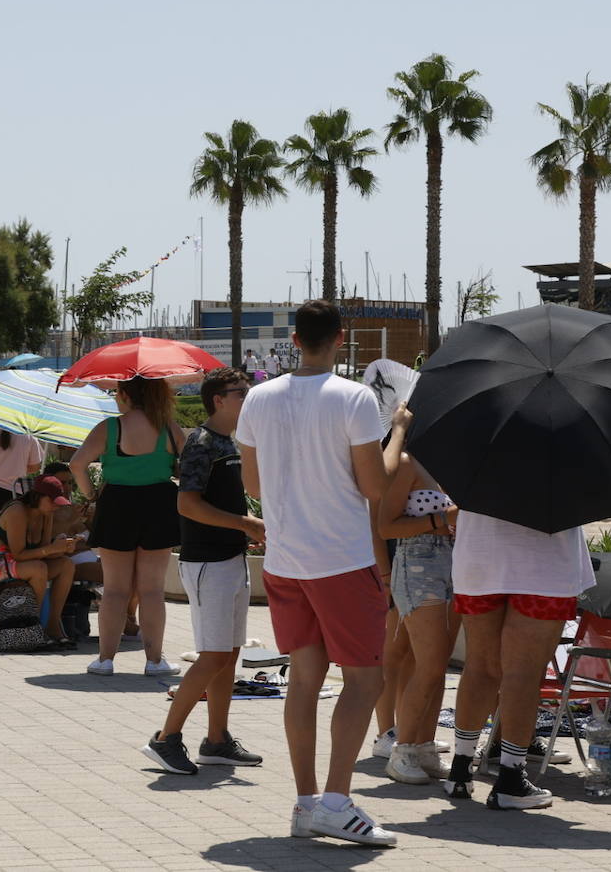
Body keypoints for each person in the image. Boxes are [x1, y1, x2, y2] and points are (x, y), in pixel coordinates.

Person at [236, 300, 405, 847]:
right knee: (365, 679)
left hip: (285, 561)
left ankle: (308, 802)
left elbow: (255, 488)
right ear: (339, 337)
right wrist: (397, 432)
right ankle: (336, 801)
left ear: (294, 338)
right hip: (341, 559)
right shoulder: (354, 397)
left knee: (305, 682)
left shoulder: (257, 398)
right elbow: (375, 488)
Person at [143, 368, 266, 775]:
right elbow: (188, 505)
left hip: (230, 559)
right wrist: (245, 524)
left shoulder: (229, 443)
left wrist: (247, 522)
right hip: (208, 563)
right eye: (241, 393)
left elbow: (224, 501)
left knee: (228, 656)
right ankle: (165, 739)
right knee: (212, 655)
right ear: (219, 399)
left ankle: (216, 741)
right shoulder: (200, 443)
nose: (248, 398)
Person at [443, 511, 594, 810]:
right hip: (544, 565)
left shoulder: (475, 461)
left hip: (479, 557)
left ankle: (460, 770)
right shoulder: (567, 462)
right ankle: (511, 777)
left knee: (480, 665)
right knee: (522, 673)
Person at [71, 376, 185, 675]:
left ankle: (105, 660)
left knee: (114, 589)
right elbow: (191, 468)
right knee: (152, 591)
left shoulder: (110, 427)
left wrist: (90, 493)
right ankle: (154, 661)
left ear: (124, 393)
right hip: (159, 504)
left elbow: (77, 464)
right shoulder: (169, 428)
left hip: (117, 504)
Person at [377, 442, 459, 786]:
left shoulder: (451, 464)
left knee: (438, 665)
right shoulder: (407, 463)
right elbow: (386, 526)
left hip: (453, 564)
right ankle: (402, 749)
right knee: (426, 664)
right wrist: (439, 520)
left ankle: (424, 746)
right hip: (418, 565)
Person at [0, 475, 78, 644]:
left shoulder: (47, 513)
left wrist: (61, 549)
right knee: (38, 568)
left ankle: (53, 624)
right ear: (37, 496)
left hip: (16, 564)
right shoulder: (17, 511)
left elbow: (44, 551)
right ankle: (34, 626)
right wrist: (51, 549)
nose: (56, 506)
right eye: (53, 501)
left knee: (66, 565)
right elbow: (19, 554)